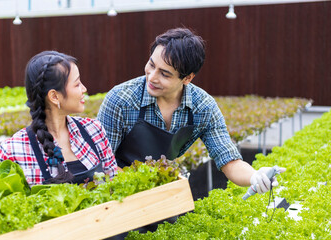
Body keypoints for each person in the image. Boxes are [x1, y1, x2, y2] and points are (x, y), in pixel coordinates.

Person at [97, 27, 286, 196]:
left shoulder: (203, 107)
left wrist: (255, 176)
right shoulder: (121, 99)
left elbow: (229, 159)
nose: (152, 77)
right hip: (117, 191)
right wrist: (140, 187)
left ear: (187, 78)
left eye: (164, 74)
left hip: (160, 191)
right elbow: (102, 163)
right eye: (151, 64)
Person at [0, 50, 117, 186]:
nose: (84, 89)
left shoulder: (94, 130)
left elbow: (115, 185)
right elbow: (6, 204)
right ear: (54, 96)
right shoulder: (14, 150)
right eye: (77, 84)